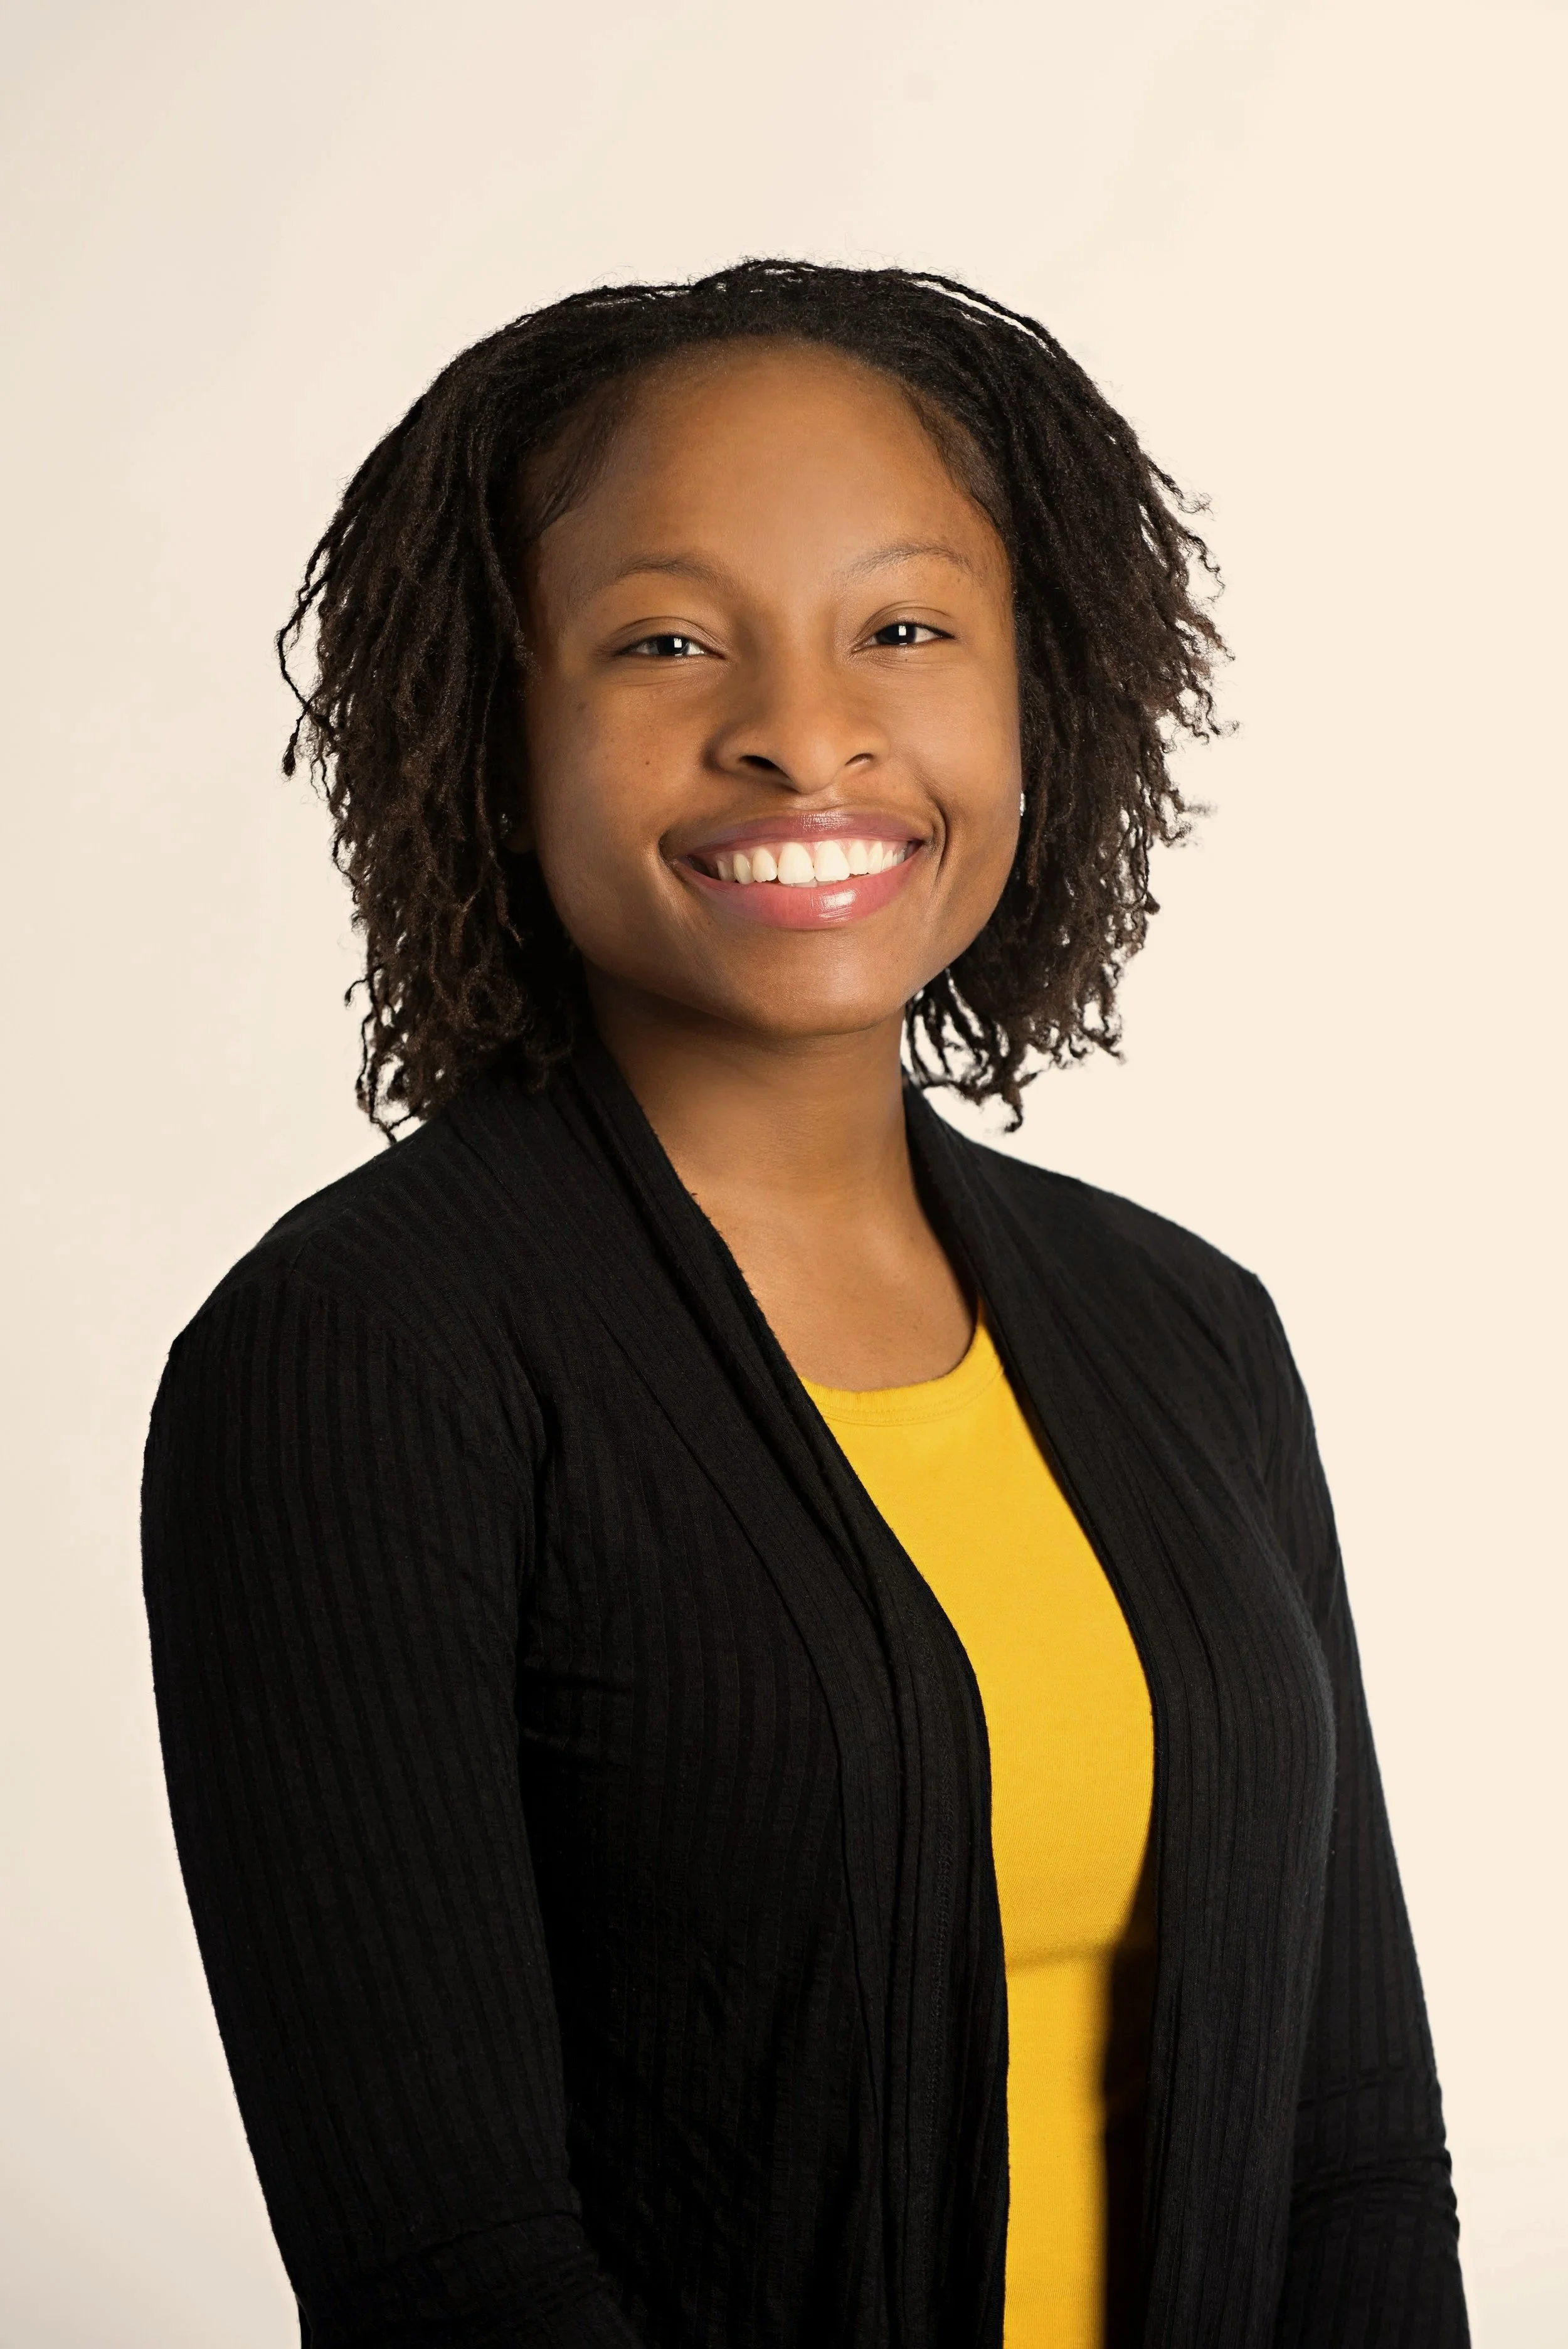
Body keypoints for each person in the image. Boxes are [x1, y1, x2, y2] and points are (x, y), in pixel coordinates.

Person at [141, 260, 1466, 2349]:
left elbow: (1356, 2148)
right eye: (664, 642)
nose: (800, 730)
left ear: (1044, 692)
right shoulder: (360, 1361)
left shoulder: (1190, 1331)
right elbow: (449, 2273)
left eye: (906, 629)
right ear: (491, 721)